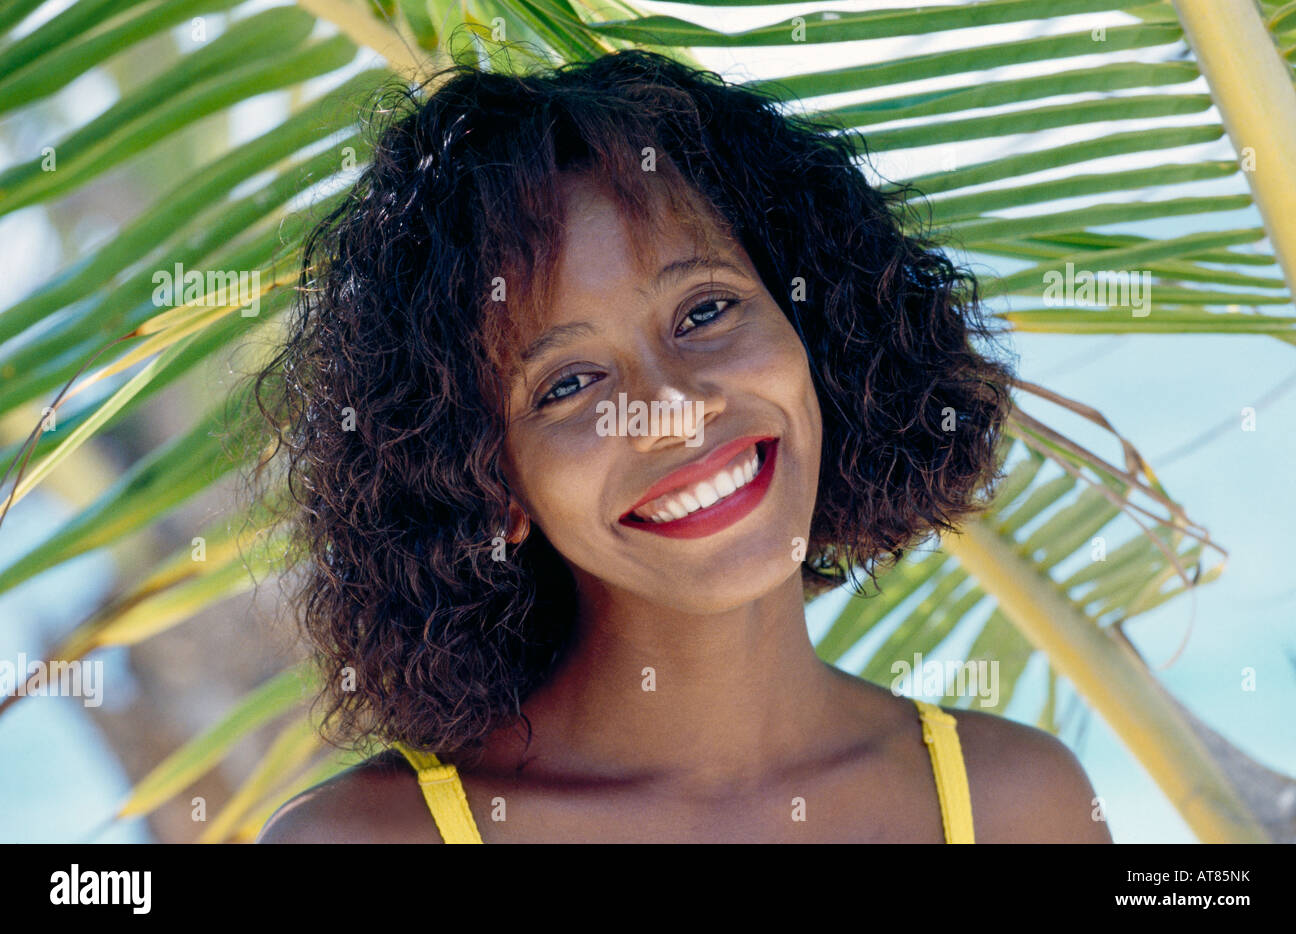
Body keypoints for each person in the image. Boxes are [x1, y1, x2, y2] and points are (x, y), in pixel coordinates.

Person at [252, 48, 1110, 843]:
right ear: (490, 485)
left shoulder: (1021, 806)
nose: (672, 410)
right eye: (567, 385)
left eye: (704, 312)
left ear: (809, 329)